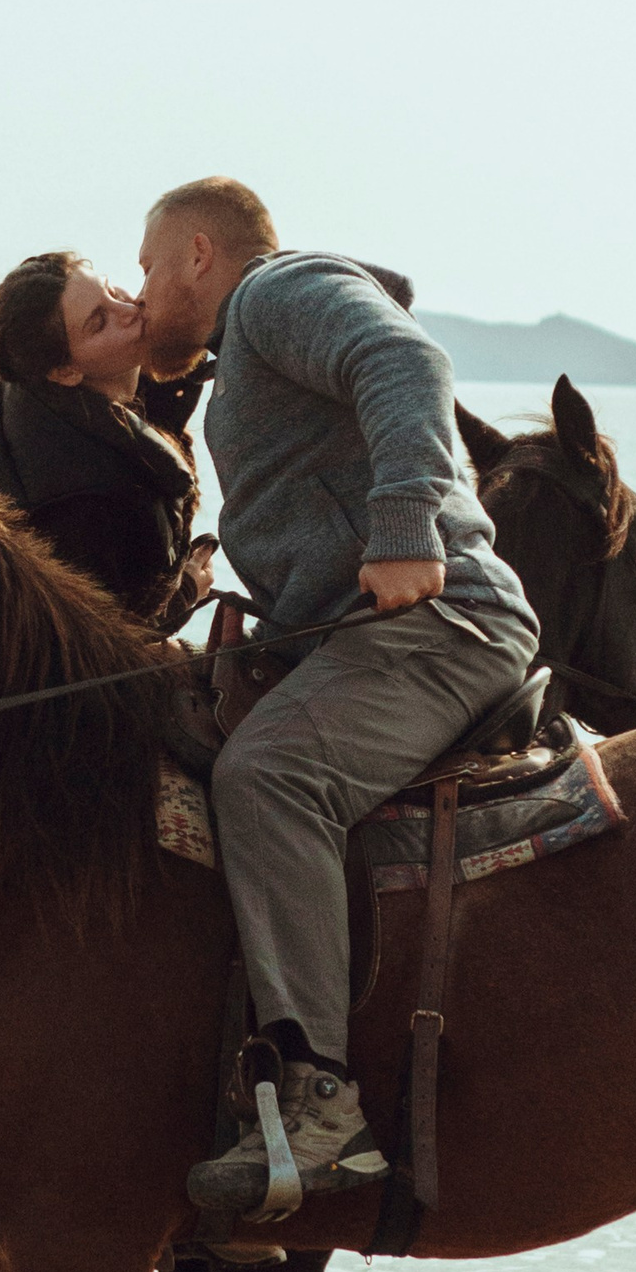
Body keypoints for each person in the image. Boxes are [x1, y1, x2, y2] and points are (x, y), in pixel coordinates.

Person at [133, 177, 541, 1215]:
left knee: (270, 776)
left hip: (436, 622)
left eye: (144, 268)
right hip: (365, 631)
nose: (141, 295)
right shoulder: (243, 352)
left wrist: (405, 530)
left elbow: (406, 360)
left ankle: (322, 1112)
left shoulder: (276, 290)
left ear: (194, 252)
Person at [0, 251, 215, 635]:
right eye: (99, 321)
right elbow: (108, 647)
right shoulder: (93, 501)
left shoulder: (1, 372)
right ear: (65, 371)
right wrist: (188, 589)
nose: (128, 307)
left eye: (111, 289)